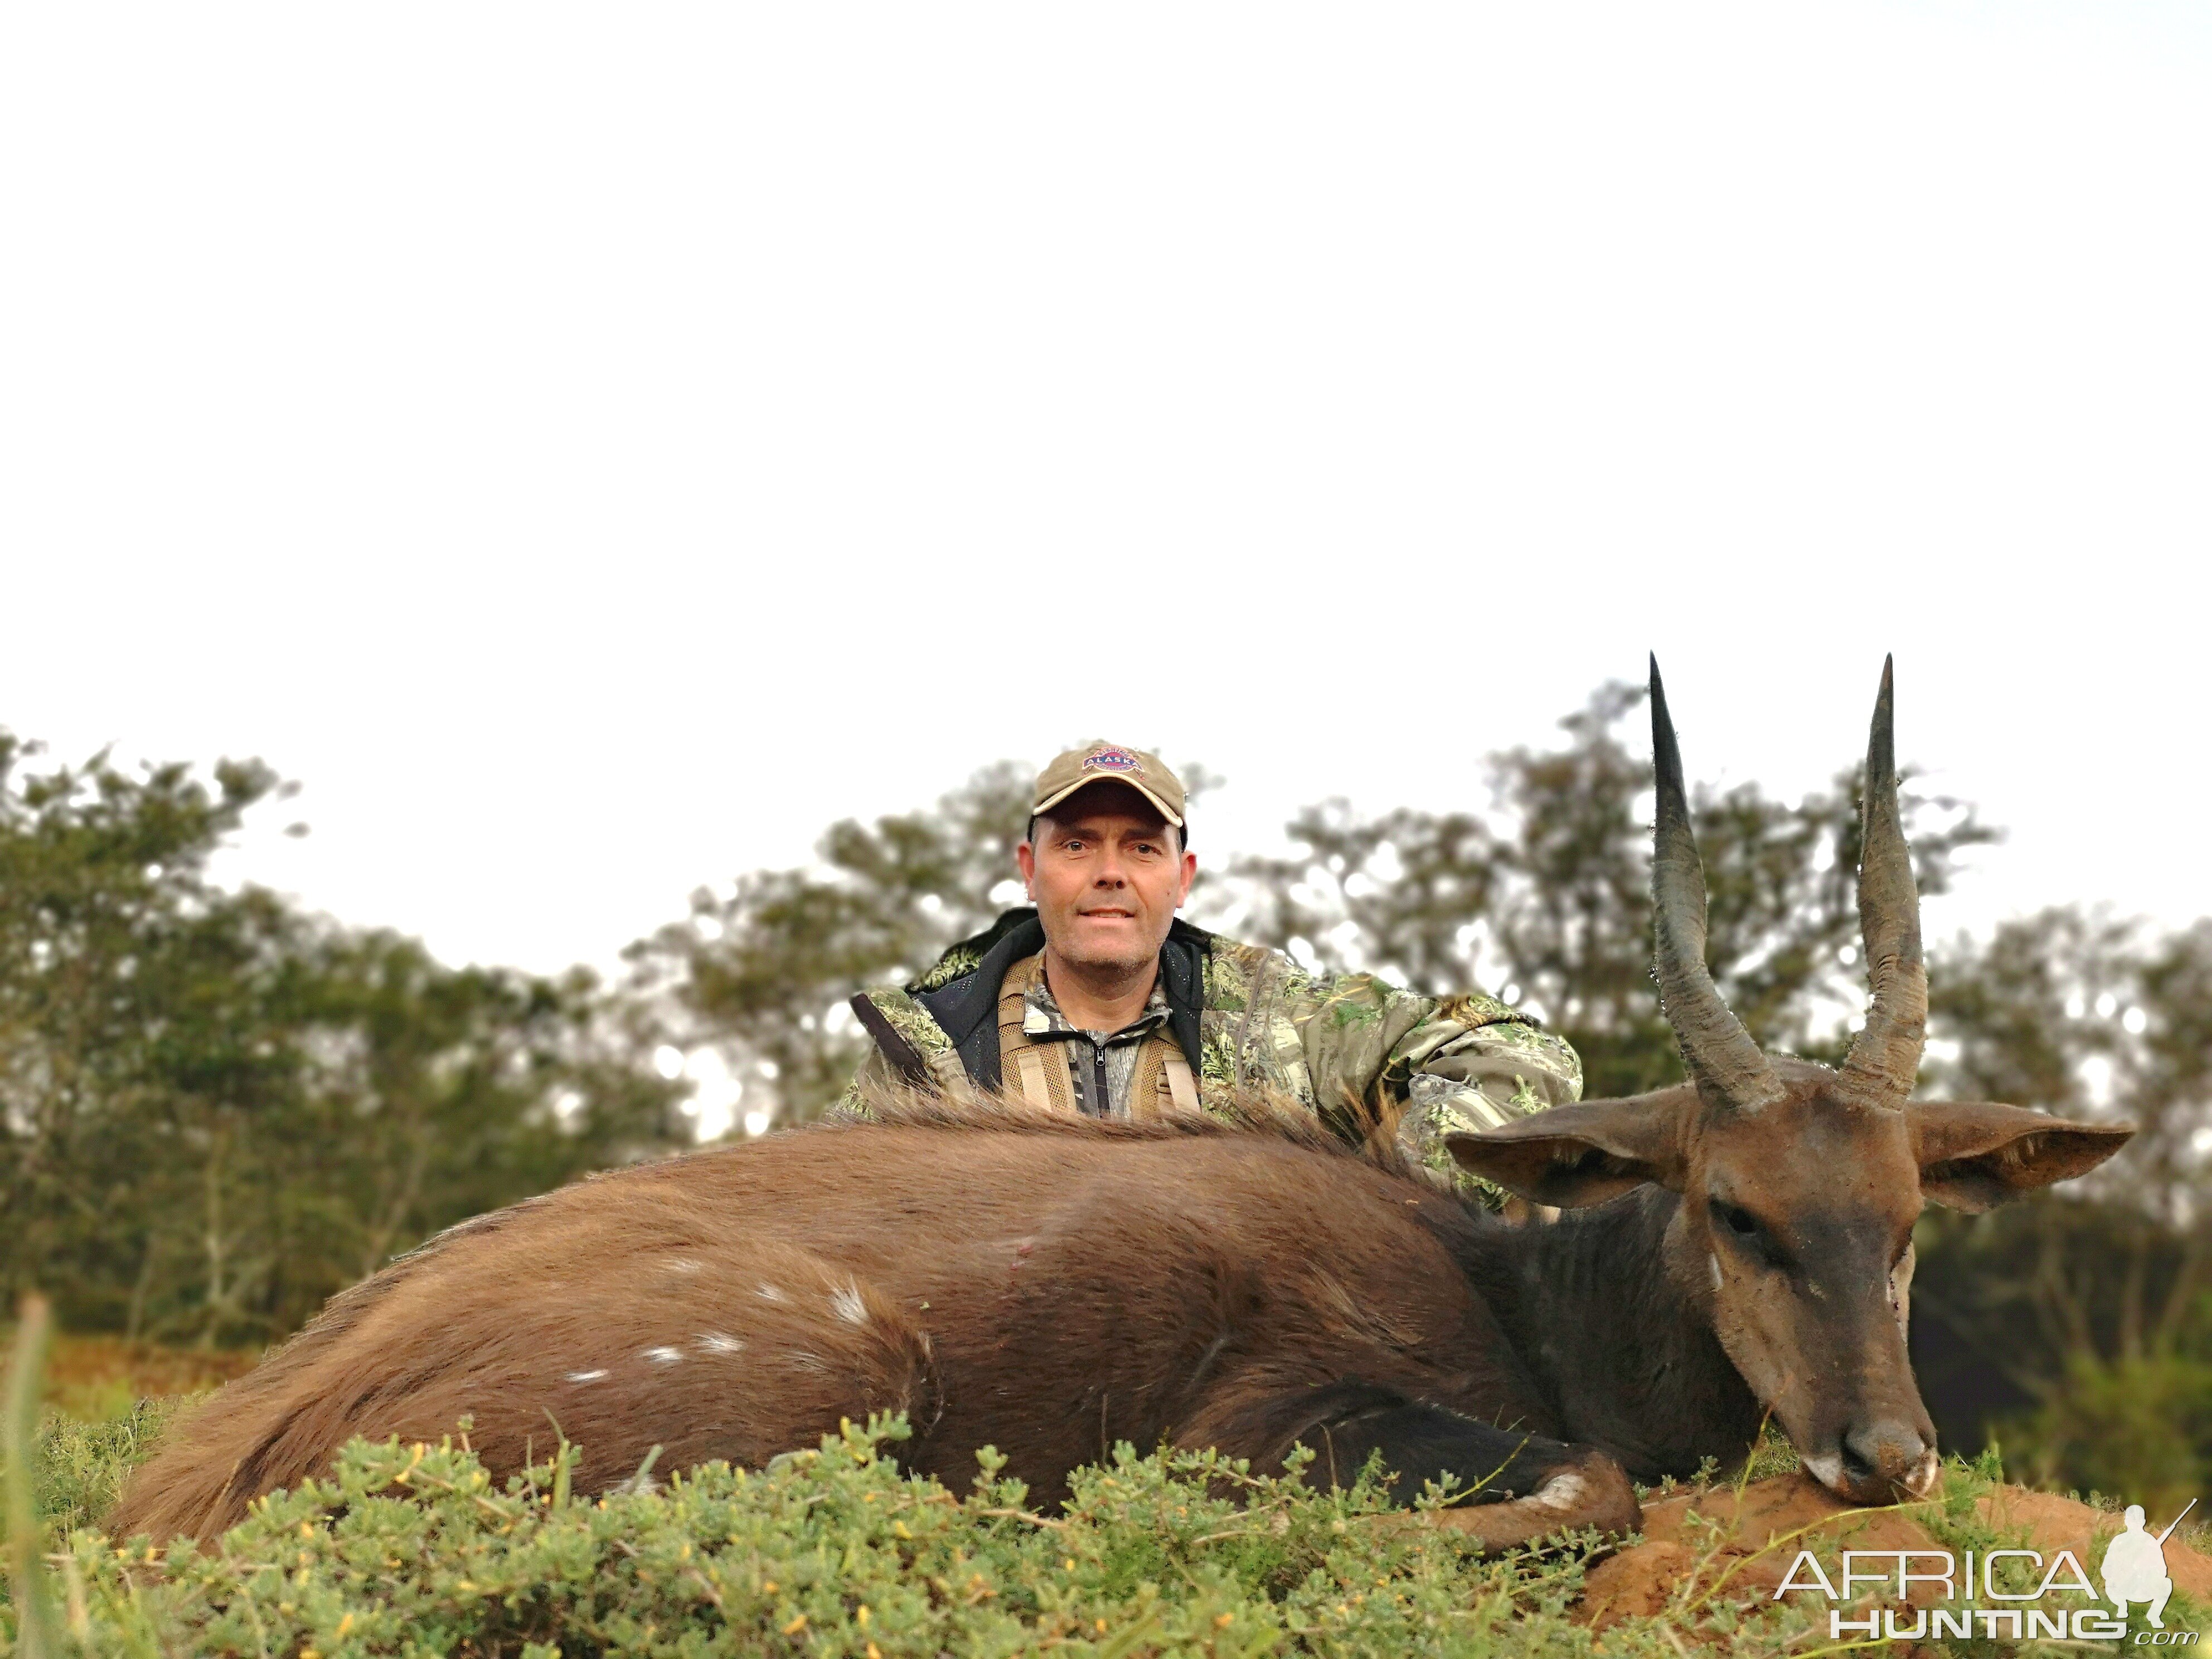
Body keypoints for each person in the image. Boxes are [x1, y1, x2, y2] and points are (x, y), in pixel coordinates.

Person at [837, 741, 1582, 1199]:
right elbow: (825, 1210)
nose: (1109, 874)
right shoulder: (927, 1052)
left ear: (1181, 876)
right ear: (1030, 871)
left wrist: (1397, 1204)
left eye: (1140, 846)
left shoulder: (1281, 1016)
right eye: (1076, 846)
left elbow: (1522, 1053)